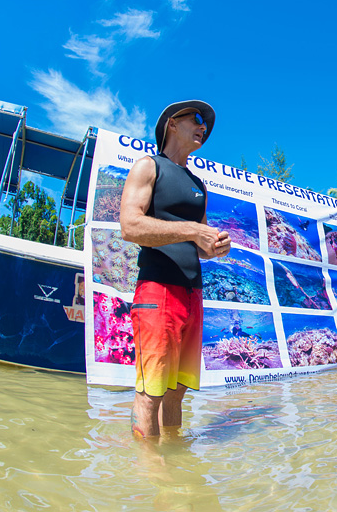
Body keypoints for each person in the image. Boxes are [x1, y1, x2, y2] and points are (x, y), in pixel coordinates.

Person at [120, 100, 231, 439]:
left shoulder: (200, 186)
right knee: (150, 390)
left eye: (206, 125)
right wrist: (192, 230)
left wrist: (214, 247)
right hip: (157, 290)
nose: (203, 127)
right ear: (171, 123)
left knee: (177, 390)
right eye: (196, 120)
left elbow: (200, 244)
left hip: (192, 294)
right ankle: (151, 470)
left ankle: (175, 454)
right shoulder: (148, 167)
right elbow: (130, 226)